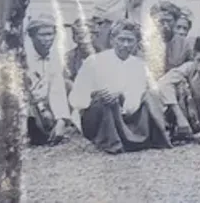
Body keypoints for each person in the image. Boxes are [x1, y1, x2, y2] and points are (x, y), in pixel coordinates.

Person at [69, 20, 172, 154]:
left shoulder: (139, 66)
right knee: (104, 101)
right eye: (121, 39)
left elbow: (134, 101)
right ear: (112, 40)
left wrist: (120, 96)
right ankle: (110, 141)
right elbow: (77, 99)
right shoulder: (94, 62)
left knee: (148, 97)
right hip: (97, 118)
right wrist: (97, 95)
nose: (125, 45)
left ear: (136, 43)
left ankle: (137, 138)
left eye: (130, 41)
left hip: (125, 116)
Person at [24, 13, 74, 146]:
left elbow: (57, 88)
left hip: (48, 102)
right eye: (42, 35)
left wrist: (61, 119)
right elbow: (29, 92)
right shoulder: (24, 57)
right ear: (32, 36)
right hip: (30, 104)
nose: (47, 39)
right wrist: (43, 110)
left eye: (50, 34)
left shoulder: (55, 56)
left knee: (68, 84)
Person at [149, 1, 193, 79]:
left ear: (175, 21)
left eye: (169, 21)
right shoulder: (146, 43)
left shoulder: (185, 44)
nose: (165, 25)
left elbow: (191, 67)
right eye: (161, 21)